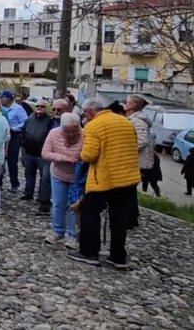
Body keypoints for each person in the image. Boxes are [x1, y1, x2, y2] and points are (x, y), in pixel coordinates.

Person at [69, 98, 140, 269]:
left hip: (105, 178)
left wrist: (81, 154)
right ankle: (118, 256)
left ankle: (89, 252)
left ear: (89, 111)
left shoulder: (94, 125)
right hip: (127, 178)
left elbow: (90, 155)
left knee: (90, 212)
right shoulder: (126, 122)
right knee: (119, 217)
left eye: (84, 113)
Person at [41, 113, 84, 248]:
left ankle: (73, 235)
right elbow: (45, 153)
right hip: (58, 173)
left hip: (77, 177)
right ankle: (58, 231)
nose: (71, 134)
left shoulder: (85, 134)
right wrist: (63, 158)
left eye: (74, 130)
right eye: (67, 131)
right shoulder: (54, 133)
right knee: (58, 204)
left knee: (74, 206)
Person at [124, 95, 155, 224]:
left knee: (128, 191)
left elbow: (142, 141)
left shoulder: (139, 121)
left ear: (133, 105)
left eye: (126, 102)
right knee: (130, 191)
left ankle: (130, 219)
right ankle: (132, 217)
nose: (124, 104)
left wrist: (125, 151)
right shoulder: (133, 119)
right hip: (134, 161)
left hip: (138, 162)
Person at [21, 99, 53, 214]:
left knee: (44, 178)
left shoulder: (50, 121)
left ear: (46, 108)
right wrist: (23, 144)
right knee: (29, 174)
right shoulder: (29, 119)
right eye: (37, 106)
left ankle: (42, 198)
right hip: (29, 152)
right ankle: (28, 193)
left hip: (42, 155)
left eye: (42, 106)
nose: (39, 108)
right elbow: (23, 132)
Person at [1, 90, 29, 193]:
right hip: (3, 134)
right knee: (1, 159)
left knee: (12, 160)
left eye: (2, 97)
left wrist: (14, 128)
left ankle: (14, 183)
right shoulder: (1, 108)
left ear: (8, 99)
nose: (1, 99)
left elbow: (25, 122)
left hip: (14, 135)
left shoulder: (18, 109)